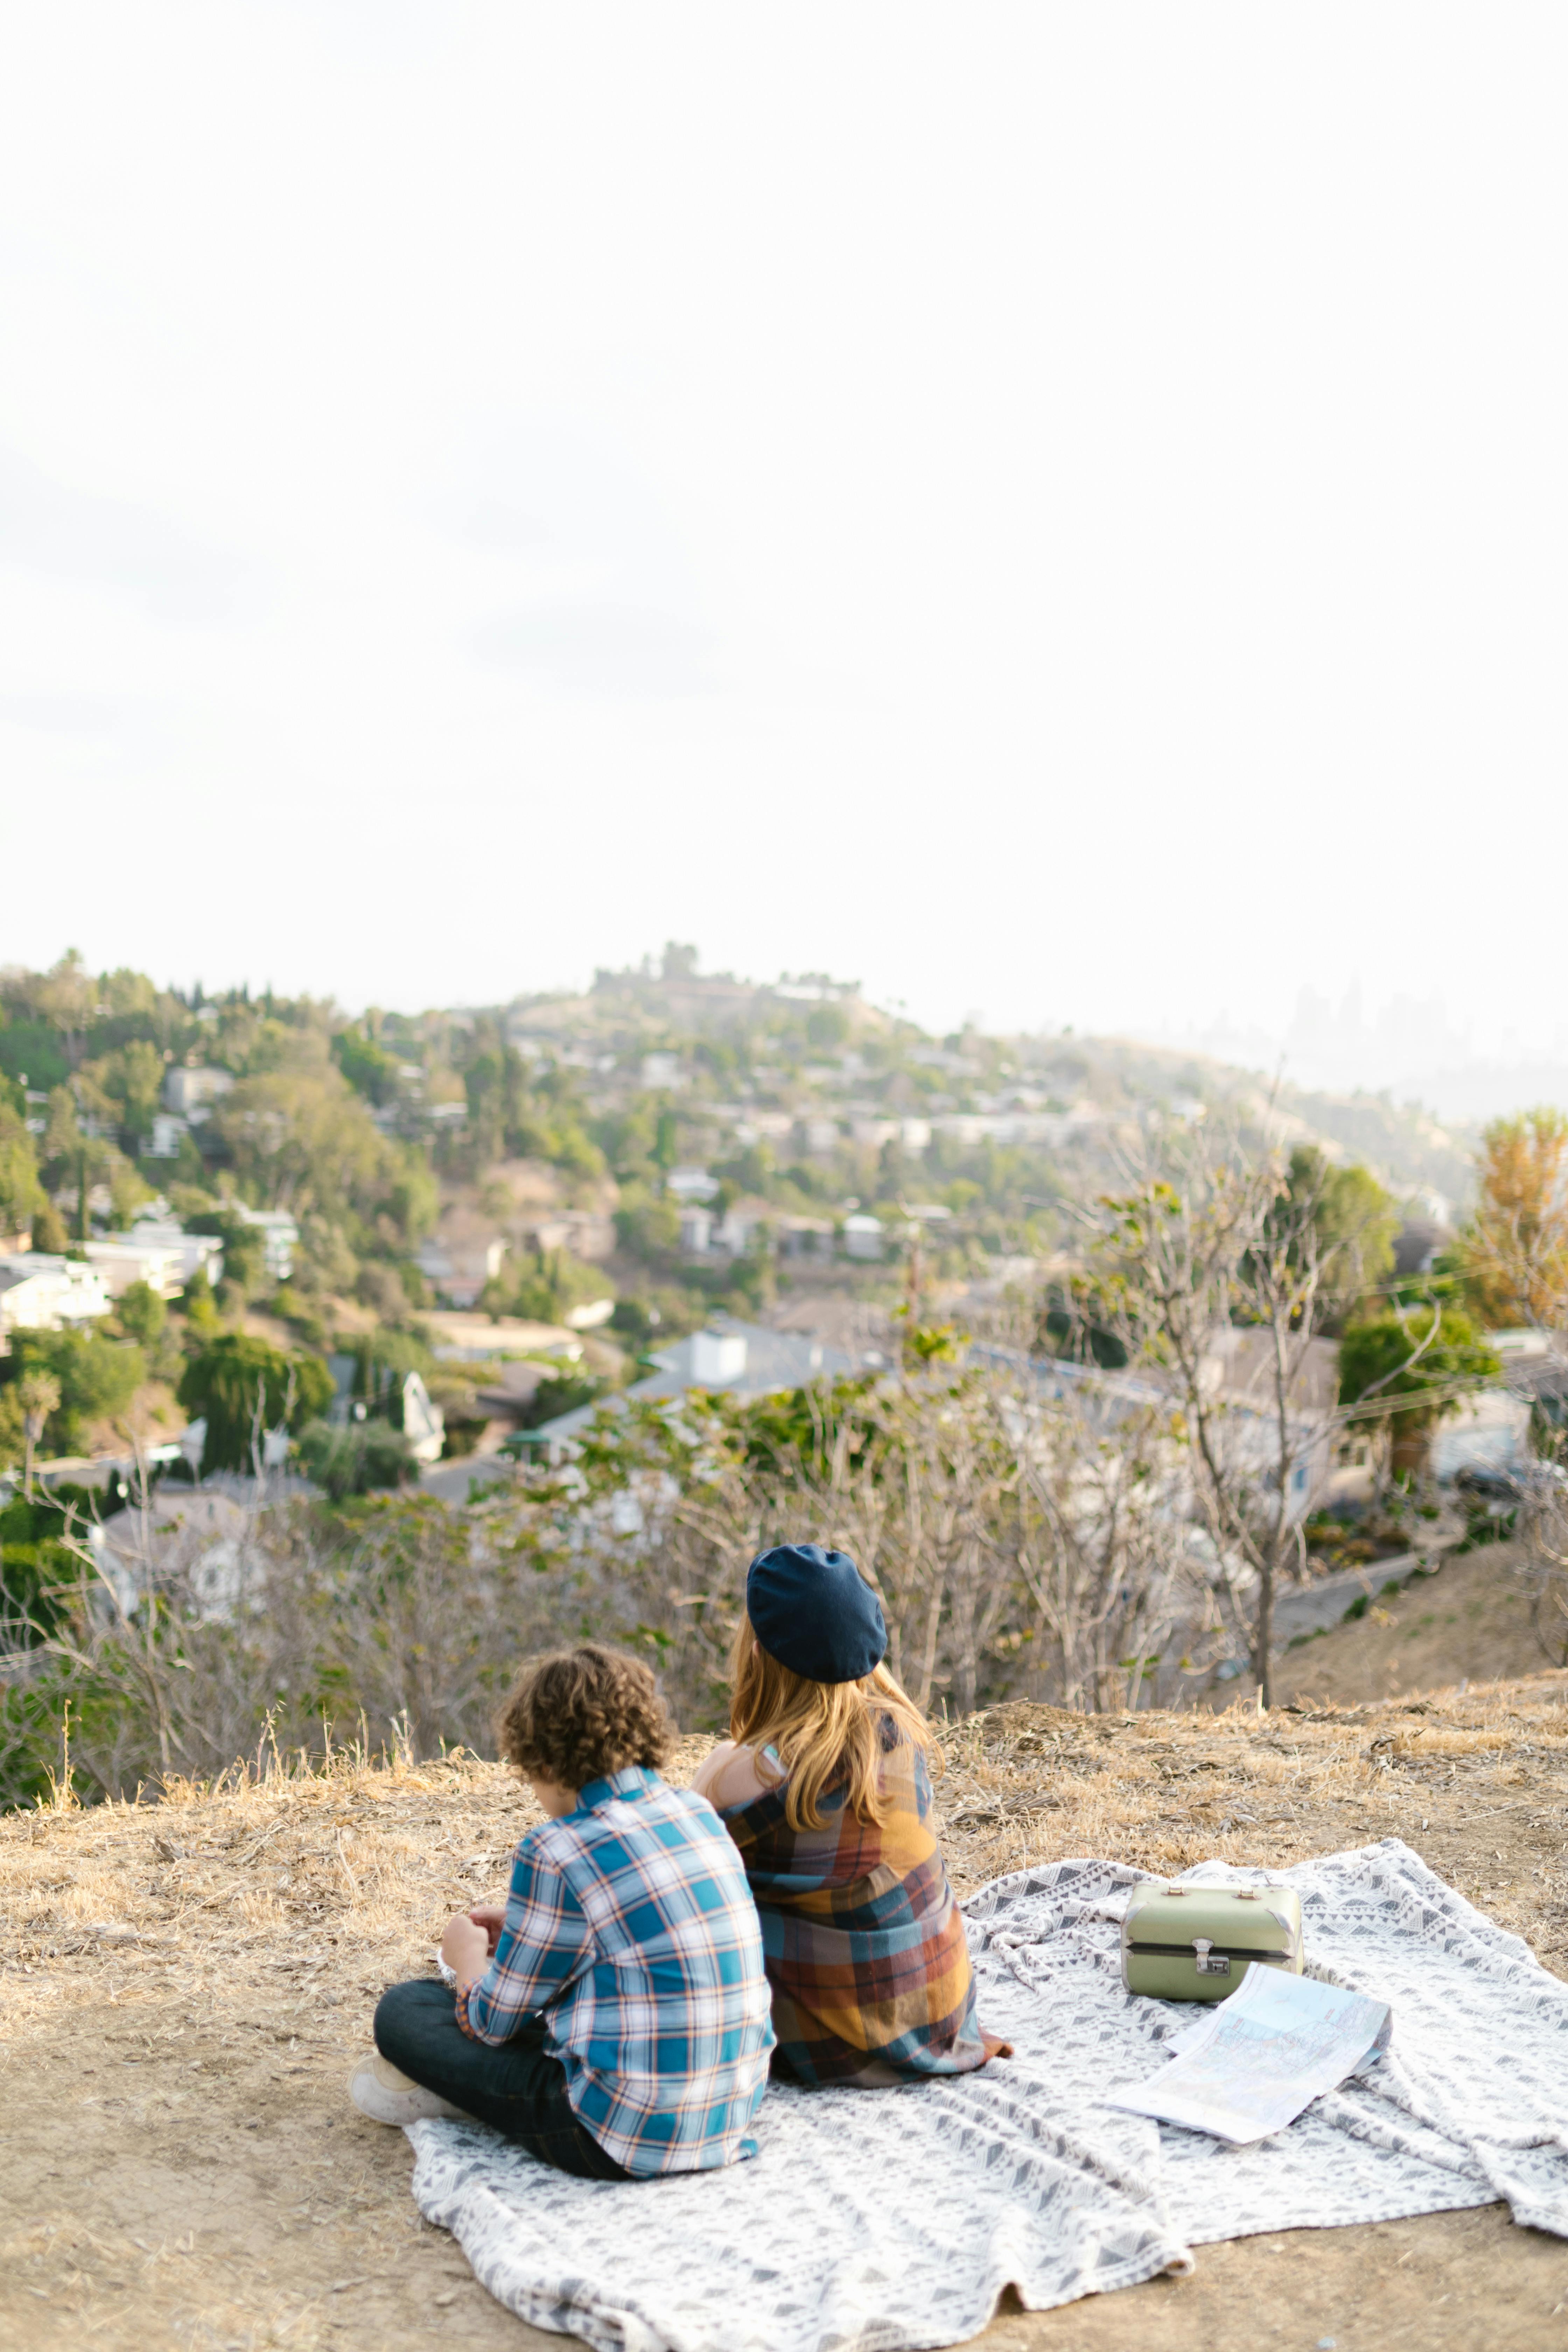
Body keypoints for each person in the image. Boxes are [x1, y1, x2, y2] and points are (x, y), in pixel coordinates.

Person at [349, 1643, 774, 2179]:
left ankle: (473, 2100)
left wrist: (466, 1965)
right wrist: (528, 1930)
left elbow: (489, 2024)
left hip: (614, 2137)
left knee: (405, 2009)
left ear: (544, 1762)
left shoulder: (555, 1849)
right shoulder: (695, 1812)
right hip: (731, 2112)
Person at [692, 1542, 1010, 2087]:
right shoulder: (901, 1737)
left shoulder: (730, 1773)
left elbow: (679, 1885)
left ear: (758, 1652)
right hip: (938, 2017)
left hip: (825, 2043)